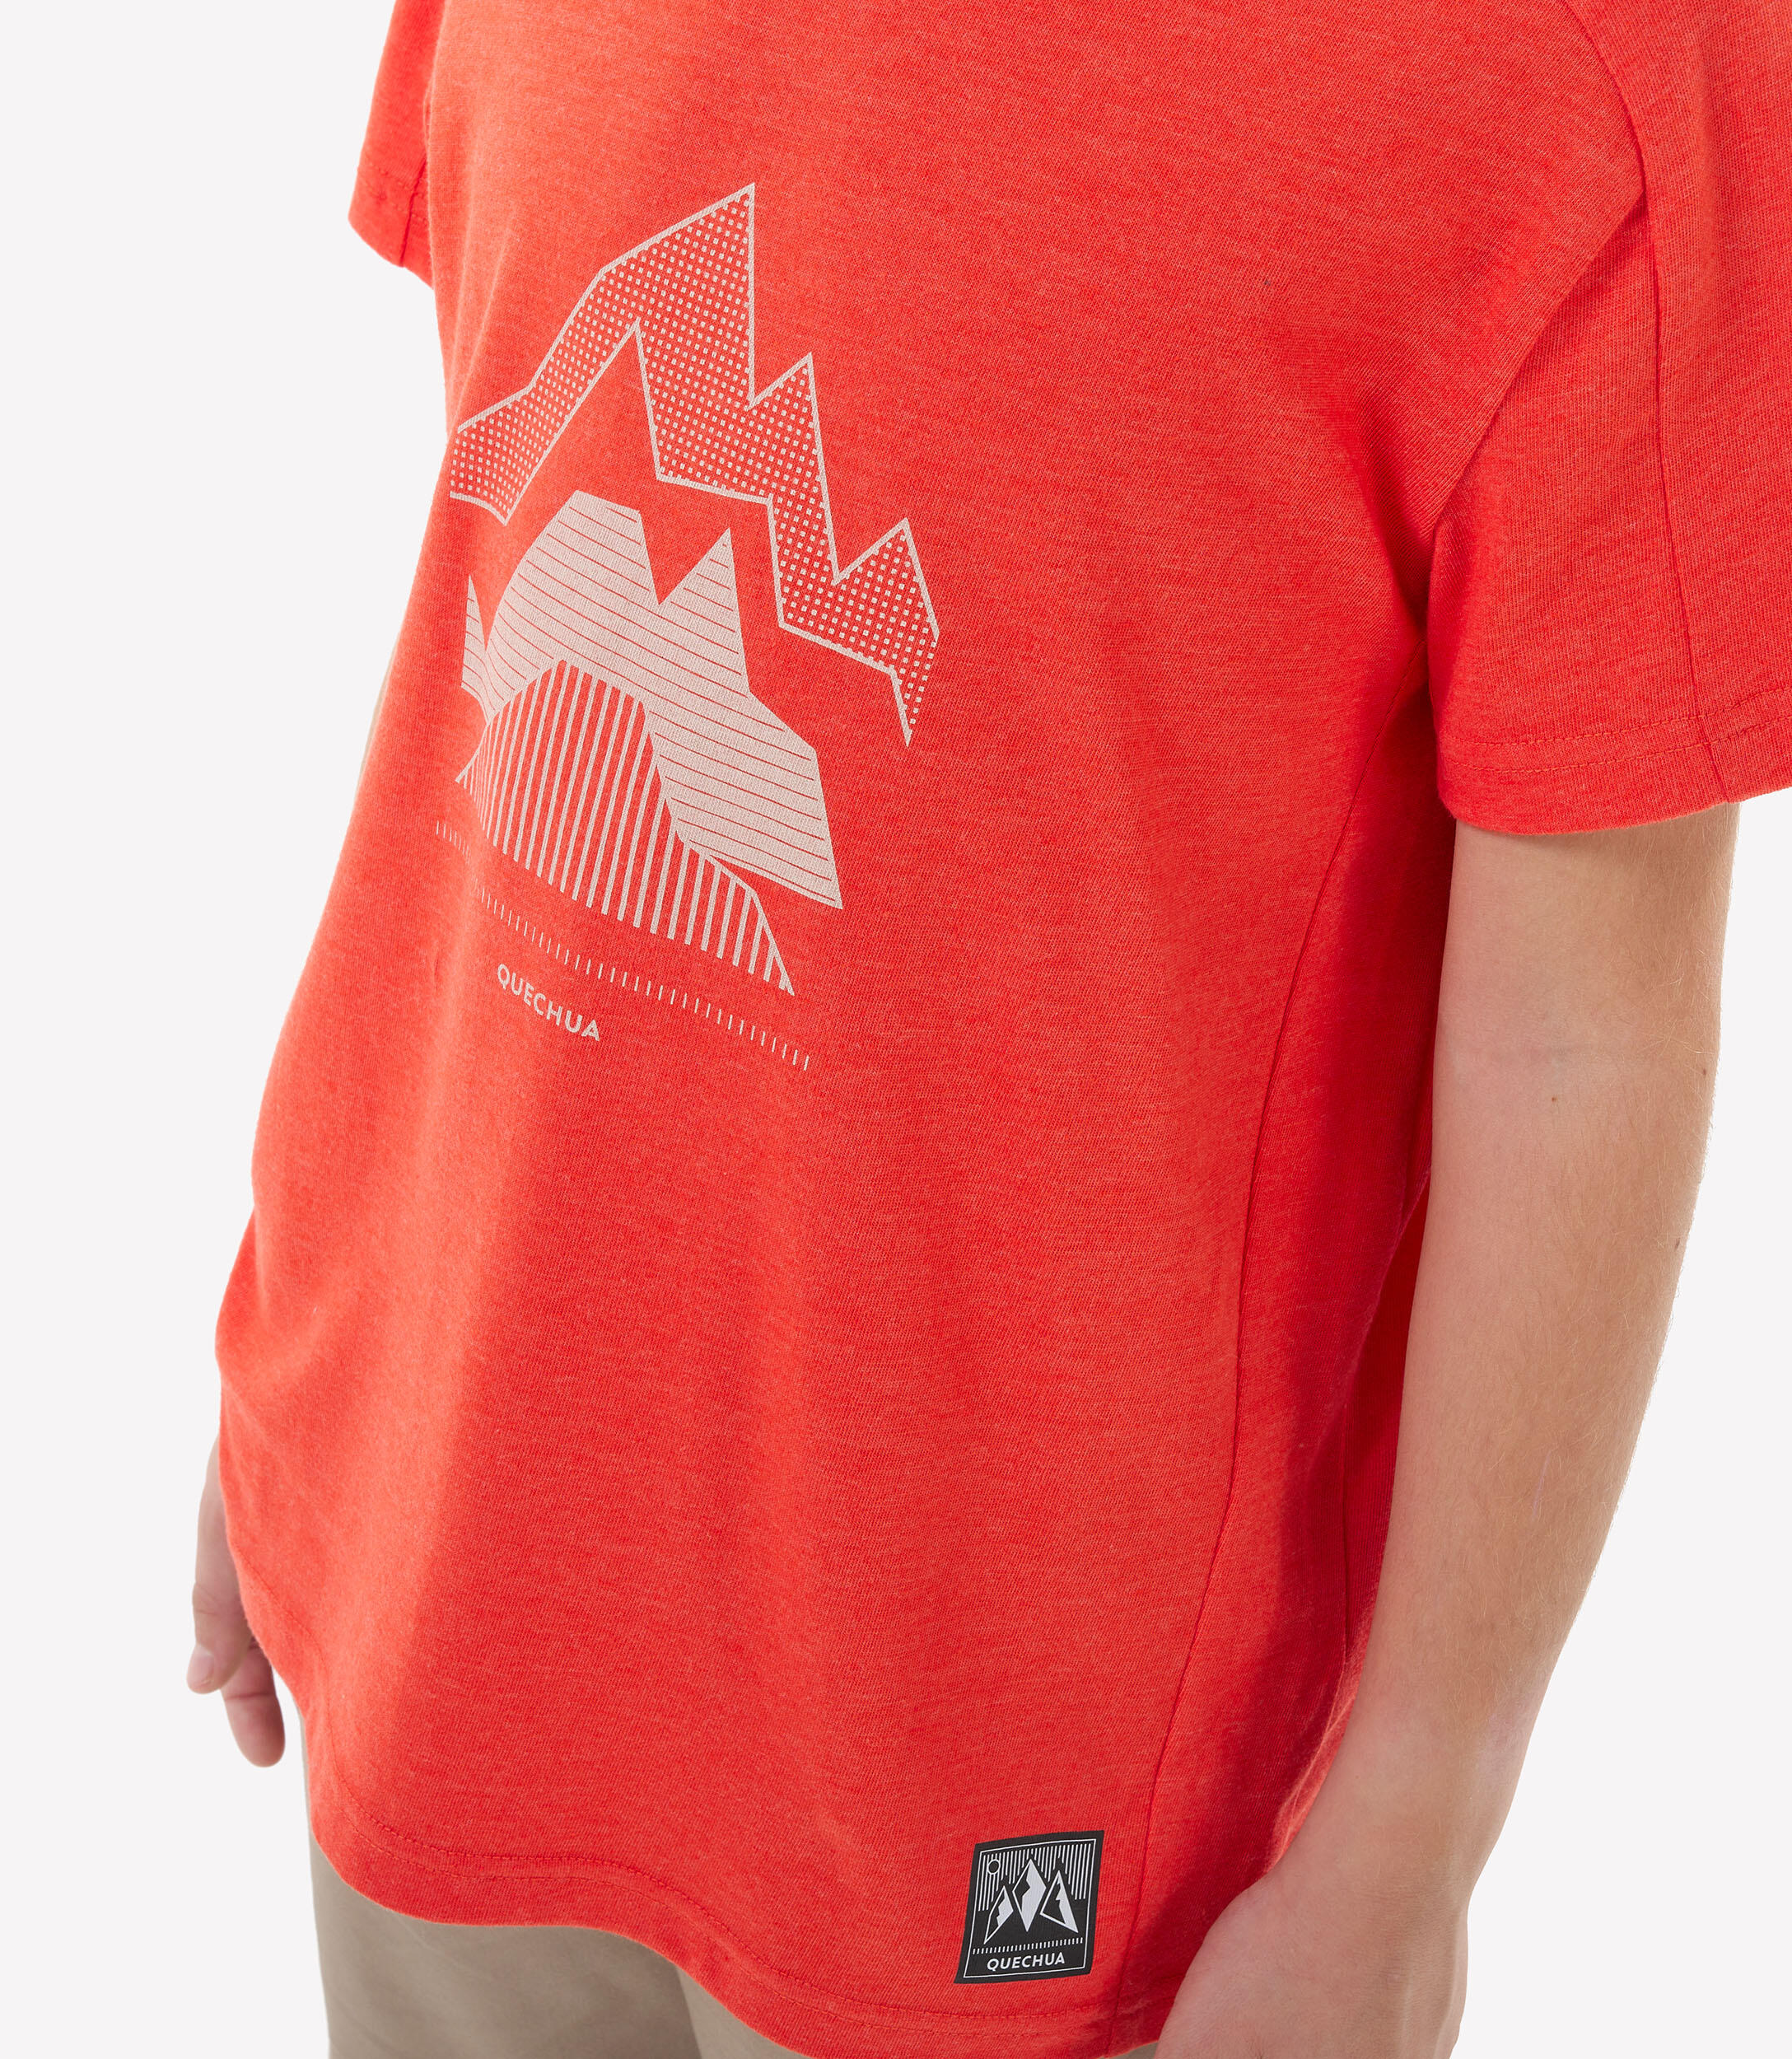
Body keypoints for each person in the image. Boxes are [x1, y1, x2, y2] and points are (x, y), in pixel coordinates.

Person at [186, 1, 1791, 2052]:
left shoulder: (1611, 64)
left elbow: (1582, 1032)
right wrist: (319, 1372)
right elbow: (510, 578)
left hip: (1025, 1774)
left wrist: (1408, 1829)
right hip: (436, 1570)